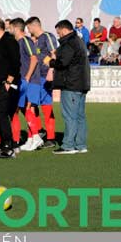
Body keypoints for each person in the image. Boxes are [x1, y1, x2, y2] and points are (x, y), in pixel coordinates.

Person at [43, 19, 91, 154]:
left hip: (71, 84)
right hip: (81, 84)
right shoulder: (78, 41)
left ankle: (68, 145)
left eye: (58, 33)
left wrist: (51, 62)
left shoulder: (69, 43)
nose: (58, 36)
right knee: (80, 116)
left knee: (69, 115)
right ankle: (80, 145)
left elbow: (63, 62)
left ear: (63, 30)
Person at [0, 18, 21, 159]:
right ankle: (2, 146)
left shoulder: (9, 41)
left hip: (3, 84)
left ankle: (9, 146)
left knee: (1, 113)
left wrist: (9, 80)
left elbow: (15, 62)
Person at [25, 16, 60, 149]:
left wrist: (52, 70)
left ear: (34, 26)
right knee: (34, 105)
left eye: (29, 28)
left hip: (45, 77)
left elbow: (54, 53)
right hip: (37, 77)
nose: (28, 31)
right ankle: (40, 132)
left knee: (44, 106)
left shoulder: (47, 36)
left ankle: (49, 137)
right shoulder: (37, 40)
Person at [10, 18, 41, 151]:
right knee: (22, 108)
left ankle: (36, 136)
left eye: (10, 28)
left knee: (28, 108)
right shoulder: (17, 42)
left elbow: (34, 58)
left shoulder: (25, 41)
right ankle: (30, 139)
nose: (9, 30)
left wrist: (27, 76)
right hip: (22, 80)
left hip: (30, 80)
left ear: (16, 28)